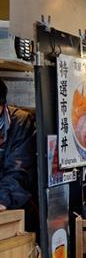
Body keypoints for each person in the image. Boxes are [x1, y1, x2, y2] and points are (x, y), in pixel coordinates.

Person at [0, 78, 35, 213]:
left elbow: (19, 169)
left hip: (13, 203)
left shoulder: (21, 122)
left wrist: (3, 199)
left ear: (2, 105)